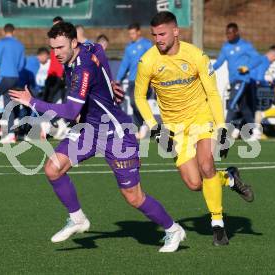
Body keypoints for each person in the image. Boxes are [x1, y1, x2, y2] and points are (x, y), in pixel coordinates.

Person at [9, 22, 185, 252]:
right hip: (89, 130)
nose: (57, 54)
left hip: (116, 132)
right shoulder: (89, 48)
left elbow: (71, 111)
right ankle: (78, 219)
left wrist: (32, 102)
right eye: (54, 48)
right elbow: (100, 53)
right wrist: (110, 86)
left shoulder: (82, 68)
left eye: (61, 47)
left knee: (133, 197)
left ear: (74, 42)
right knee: (53, 168)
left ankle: (173, 230)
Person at [134, 11, 254, 246]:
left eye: (162, 33)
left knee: (206, 164)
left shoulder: (196, 55)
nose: (158, 39)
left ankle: (218, 225)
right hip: (174, 127)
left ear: (176, 31)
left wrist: (221, 128)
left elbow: (212, 92)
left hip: (201, 117)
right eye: (154, 35)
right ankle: (229, 178)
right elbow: (139, 97)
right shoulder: (148, 61)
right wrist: (155, 129)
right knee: (194, 184)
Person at [213, 23, 262, 140]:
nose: (228, 35)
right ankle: (255, 130)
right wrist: (206, 70)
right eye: (227, 33)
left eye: (230, 33)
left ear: (236, 32)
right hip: (233, 80)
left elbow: (258, 58)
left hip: (242, 79)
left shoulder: (245, 46)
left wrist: (247, 67)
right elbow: (219, 62)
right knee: (243, 107)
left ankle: (224, 131)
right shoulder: (226, 47)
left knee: (232, 103)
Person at [0, 23, 25, 144]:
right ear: (14, 32)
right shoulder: (20, 45)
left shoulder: (2, 42)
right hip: (15, 78)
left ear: (3, 31)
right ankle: (11, 135)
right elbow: (21, 65)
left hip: (5, 76)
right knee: (8, 106)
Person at [116, 23, 152, 139]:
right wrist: (118, 79)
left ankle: (144, 125)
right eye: (129, 34)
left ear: (138, 32)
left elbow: (154, 61)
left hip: (144, 80)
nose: (131, 36)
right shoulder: (129, 48)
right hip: (132, 80)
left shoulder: (147, 44)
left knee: (137, 102)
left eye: (133, 33)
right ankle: (142, 124)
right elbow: (124, 65)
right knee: (132, 103)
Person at [251, 45, 275, 139]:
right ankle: (255, 133)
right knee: (250, 110)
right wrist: (267, 84)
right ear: (273, 55)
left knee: (248, 109)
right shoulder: (265, 61)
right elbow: (259, 79)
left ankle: (253, 132)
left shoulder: (260, 58)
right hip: (250, 85)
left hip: (248, 83)